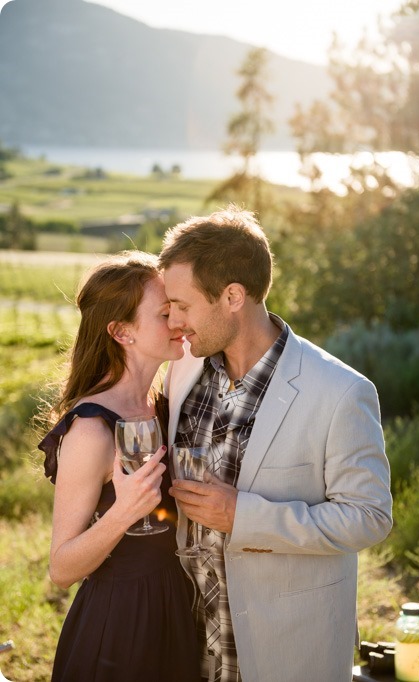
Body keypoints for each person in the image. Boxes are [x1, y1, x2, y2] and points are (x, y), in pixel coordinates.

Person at [158, 206, 393, 682]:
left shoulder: (341, 392)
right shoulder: (183, 369)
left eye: (183, 305)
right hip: (188, 644)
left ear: (232, 296)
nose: (173, 321)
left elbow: (370, 517)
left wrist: (244, 516)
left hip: (287, 650)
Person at [37, 251, 200, 682]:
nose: (178, 323)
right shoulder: (92, 430)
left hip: (176, 610)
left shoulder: (165, 406)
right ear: (122, 331)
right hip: (120, 625)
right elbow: (61, 569)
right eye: (166, 313)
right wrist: (124, 511)